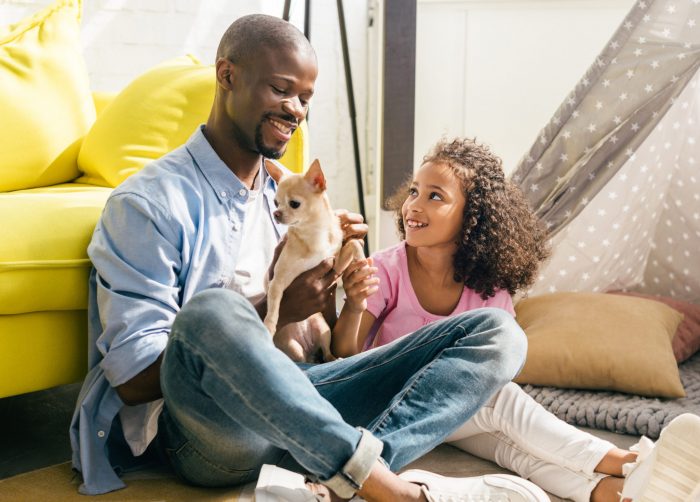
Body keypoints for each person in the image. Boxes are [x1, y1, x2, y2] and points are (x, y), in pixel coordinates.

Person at [69, 13, 553, 502]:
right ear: (227, 75)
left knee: (497, 331)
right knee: (215, 311)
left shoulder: (293, 195)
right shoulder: (149, 204)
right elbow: (132, 380)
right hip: (217, 430)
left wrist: (334, 280)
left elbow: (328, 348)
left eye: (305, 98)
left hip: (309, 407)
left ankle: (329, 484)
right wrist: (273, 307)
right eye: (282, 90)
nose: (295, 110)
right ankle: (385, 488)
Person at [332, 137, 700, 502]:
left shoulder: (488, 289)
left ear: (472, 218)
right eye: (414, 191)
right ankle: (628, 460)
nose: (413, 205)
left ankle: (617, 493)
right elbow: (344, 352)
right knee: (500, 400)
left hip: (453, 414)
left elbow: (498, 367)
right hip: (398, 404)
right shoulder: (385, 268)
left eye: (435, 196)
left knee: (511, 447)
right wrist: (354, 304)